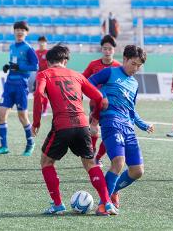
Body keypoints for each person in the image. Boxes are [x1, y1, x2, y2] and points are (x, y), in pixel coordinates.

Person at [31, 44, 118, 216]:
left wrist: (36, 122)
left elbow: (38, 94)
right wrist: (95, 119)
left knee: (46, 162)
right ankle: (107, 203)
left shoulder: (44, 74)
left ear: (48, 62)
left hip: (62, 125)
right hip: (82, 124)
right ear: (65, 60)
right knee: (90, 163)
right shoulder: (77, 75)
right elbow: (99, 97)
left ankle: (57, 205)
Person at [89, 45, 155, 209]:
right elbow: (89, 82)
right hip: (111, 122)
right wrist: (102, 95)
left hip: (129, 127)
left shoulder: (134, 83)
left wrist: (143, 124)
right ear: (125, 59)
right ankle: (104, 204)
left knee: (137, 171)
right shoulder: (110, 72)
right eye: (133, 63)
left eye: (139, 65)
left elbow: (132, 110)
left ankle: (113, 191)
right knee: (118, 162)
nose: (136, 68)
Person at [0, 21, 39, 156]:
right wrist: (8, 66)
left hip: (21, 86)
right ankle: (4, 146)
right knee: (1, 115)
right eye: (17, 29)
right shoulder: (12, 46)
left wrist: (20, 68)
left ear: (26, 33)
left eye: (22, 30)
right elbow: (15, 63)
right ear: (14, 32)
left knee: (22, 116)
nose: (19, 32)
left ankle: (30, 143)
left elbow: (35, 66)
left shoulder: (28, 48)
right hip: (9, 85)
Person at [83, 35, 121, 166]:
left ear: (114, 50)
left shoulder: (118, 67)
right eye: (105, 48)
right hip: (95, 103)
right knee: (93, 130)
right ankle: (91, 153)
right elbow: (83, 79)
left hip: (112, 105)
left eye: (110, 49)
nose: (107, 51)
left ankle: (98, 157)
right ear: (101, 49)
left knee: (109, 133)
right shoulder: (93, 64)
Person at [35, 36, 49, 116]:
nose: (42, 43)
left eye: (43, 42)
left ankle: (45, 110)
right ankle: (40, 109)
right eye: (40, 42)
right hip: (38, 75)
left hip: (46, 75)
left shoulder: (48, 53)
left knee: (45, 93)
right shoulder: (36, 52)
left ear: (46, 43)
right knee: (39, 93)